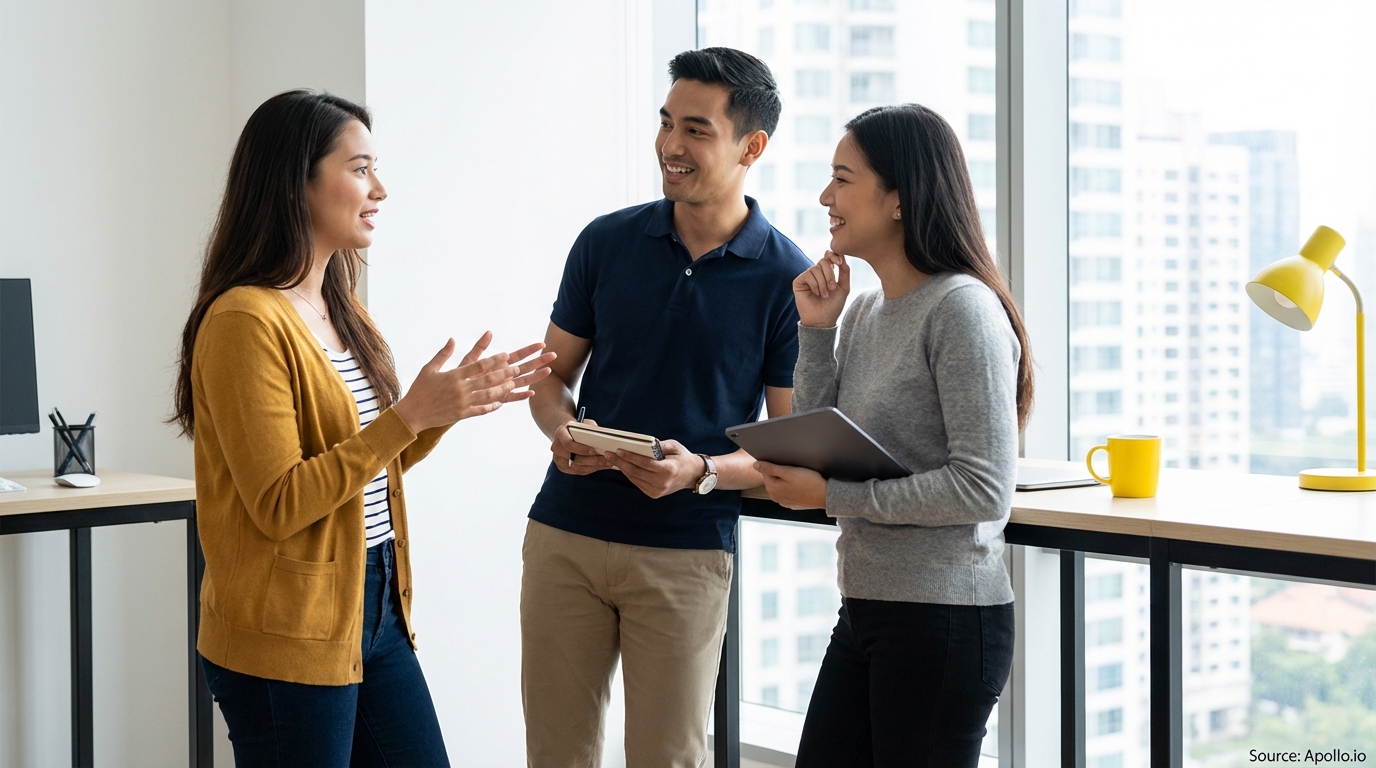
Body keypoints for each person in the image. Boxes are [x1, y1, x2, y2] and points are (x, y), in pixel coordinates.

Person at [170, 89, 553, 767]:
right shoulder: (244, 321)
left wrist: (442, 410)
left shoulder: (342, 309)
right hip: (284, 626)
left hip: (373, 609)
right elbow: (282, 501)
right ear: (298, 182)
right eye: (360, 168)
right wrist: (411, 415)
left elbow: (364, 466)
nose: (380, 189)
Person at [521, 48, 813, 767]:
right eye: (665, 123)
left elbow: (791, 445)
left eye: (695, 129)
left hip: (685, 553)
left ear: (752, 146)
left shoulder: (787, 278)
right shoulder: (606, 241)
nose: (670, 147)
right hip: (567, 536)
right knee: (555, 754)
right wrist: (563, 429)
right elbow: (548, 378)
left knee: (667, 758)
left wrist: (702, 471)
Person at [756, 103, 1034, 767]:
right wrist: (817, 330)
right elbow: (818, 440)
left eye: (843, 179)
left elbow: (984, 489)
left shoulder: (961, 310)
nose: (826, 197)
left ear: (900, 200)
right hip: (868, 607)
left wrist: (833, 498)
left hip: (943, 619)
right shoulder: (865, 312)